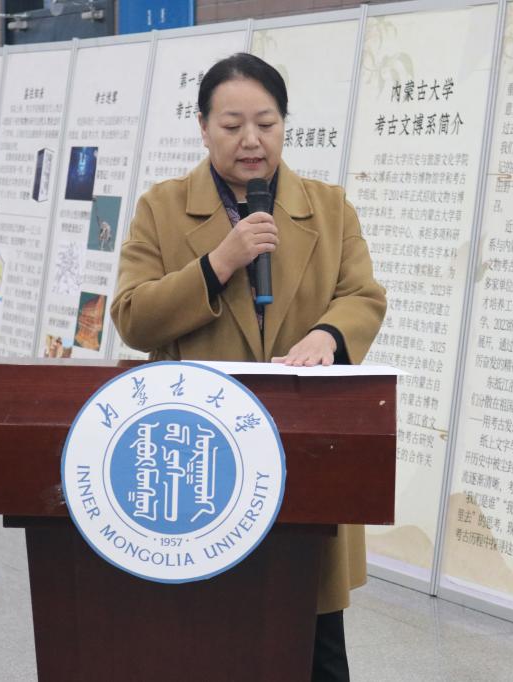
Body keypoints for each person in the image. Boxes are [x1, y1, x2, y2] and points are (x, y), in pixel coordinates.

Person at [111, 53, 386, 681]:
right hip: (204, 457)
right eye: (232, 125)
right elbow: (131, 315)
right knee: (209, 639)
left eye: (266, 123)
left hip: (305, 449)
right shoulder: (162, 208)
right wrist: (219, 263)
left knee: (315, 644)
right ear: (203, 127)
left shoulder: (329, 208)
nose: (251, 140)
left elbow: (362, 295)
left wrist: (328, 334)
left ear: (285, 124)